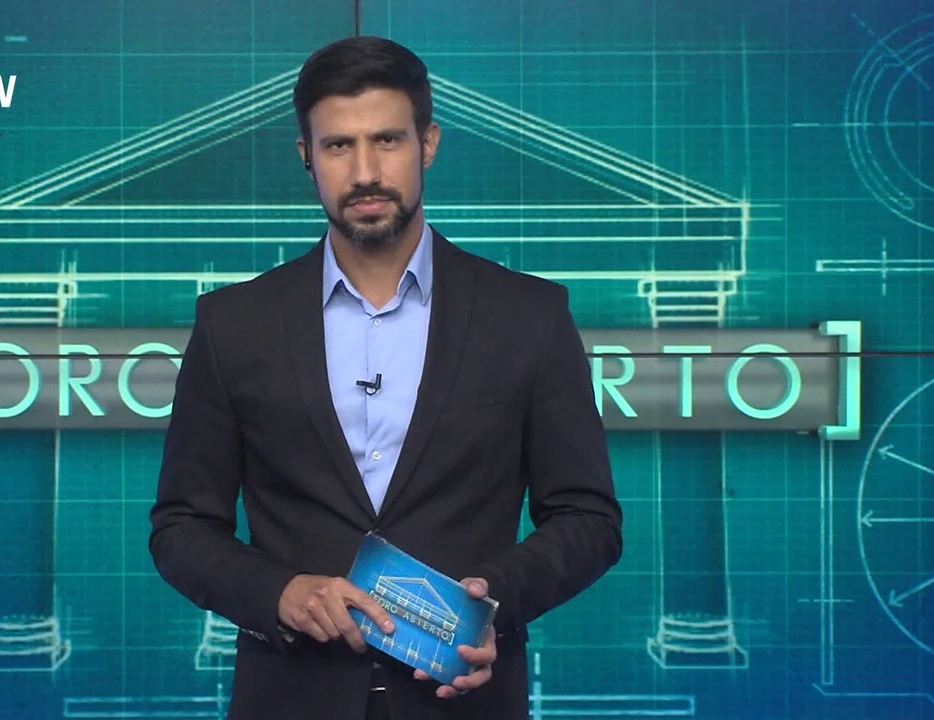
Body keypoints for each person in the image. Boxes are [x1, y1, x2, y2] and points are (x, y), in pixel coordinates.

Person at [149, 36, 622, 720]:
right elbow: (182, 527)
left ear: (427, 144)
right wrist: (280, 593)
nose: (365, 171)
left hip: (464, 702)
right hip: (289, 699)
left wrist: (490, 599)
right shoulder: (233, 325)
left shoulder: (530, 316)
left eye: (387, 141)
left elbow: (588, 518)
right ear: (306, 156)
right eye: (339, 146)